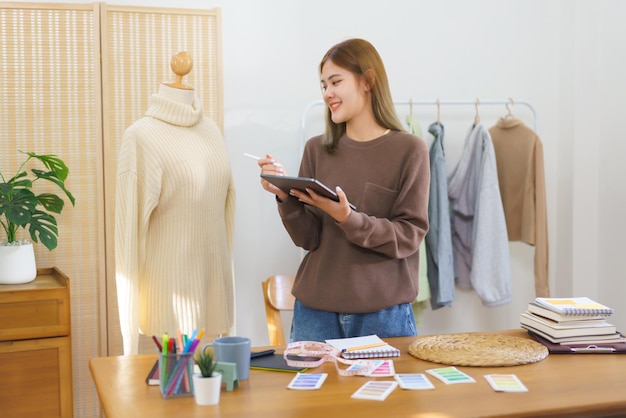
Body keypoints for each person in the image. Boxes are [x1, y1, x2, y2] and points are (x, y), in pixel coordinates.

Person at [257, 38, 430, 342]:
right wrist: (285, 197)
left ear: (367, 80)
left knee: (386, 391)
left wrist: (348, 218)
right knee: (309, 392)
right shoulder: (316, 150)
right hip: (314, 312)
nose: (327, 94)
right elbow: (307, 238)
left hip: (383, 313)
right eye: (323, 85)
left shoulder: (410, 149)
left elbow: (408, 236)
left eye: (336, 82)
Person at [115, 52, 236, 355]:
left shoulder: (211, 130)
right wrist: (129, 341)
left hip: (213, 298)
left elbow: (226, 213)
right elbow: (127, 240)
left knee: (214, 396)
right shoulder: (140, 137)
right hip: (168, 305)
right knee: (175, 395)